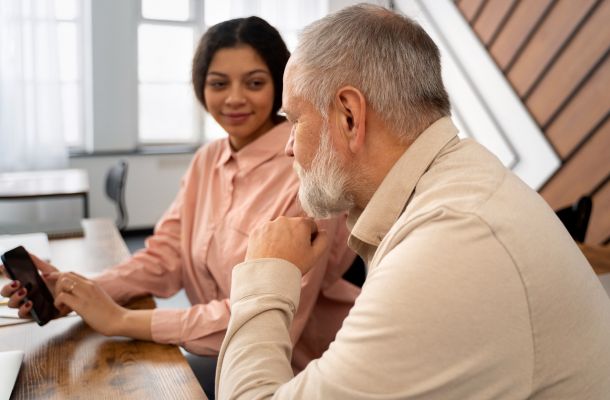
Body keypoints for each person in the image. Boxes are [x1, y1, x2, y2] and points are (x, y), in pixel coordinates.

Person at [214, 4, 610, 399]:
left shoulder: (452, 245)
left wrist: (266, 273)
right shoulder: (460, 181)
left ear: (349, 116)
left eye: (295, 121)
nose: (288, 148)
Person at [1, 16, 359, 399]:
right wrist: (76, 291)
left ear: (280, 88)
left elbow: (268, 320)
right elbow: (164, 256)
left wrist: (121, 319)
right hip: (227, 361)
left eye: (254, 83)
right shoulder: (207, 159)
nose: (234, 98)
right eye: (218, 84)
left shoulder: (305, 170)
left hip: (304, 375)